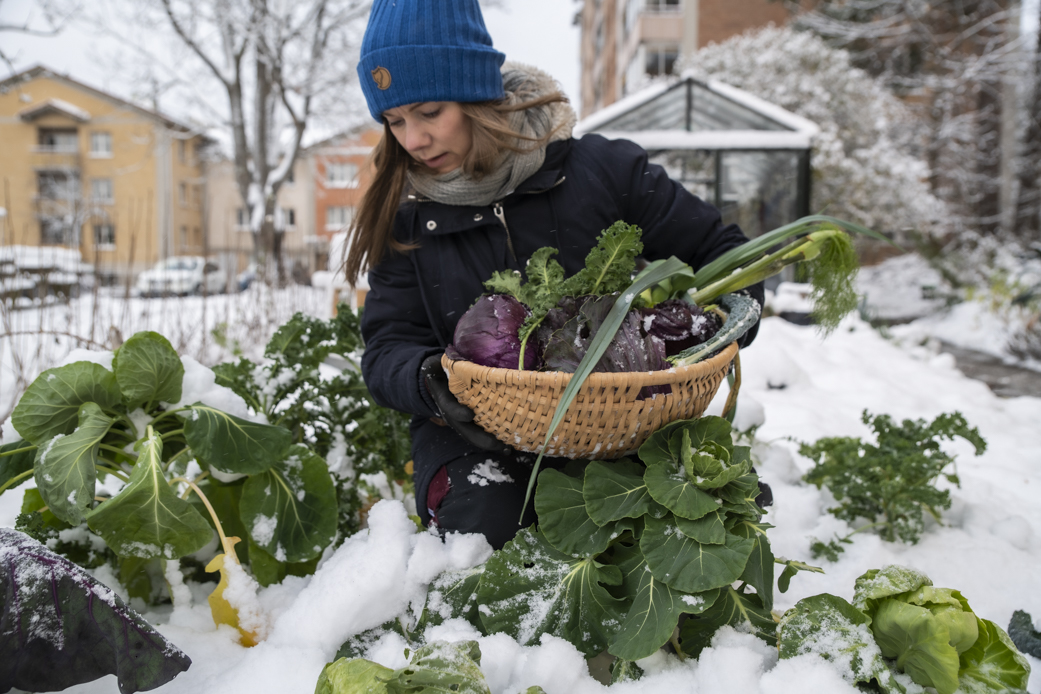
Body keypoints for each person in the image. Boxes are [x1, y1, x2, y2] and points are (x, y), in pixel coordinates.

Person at [344, 0, 765, 550]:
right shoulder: (407, 220)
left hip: (624, 419)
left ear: (477, 96)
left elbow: (724, 252)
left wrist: (718, 328)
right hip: (481, 436)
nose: (412, 140)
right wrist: (432, 381)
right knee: (488, 530)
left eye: (428, 112)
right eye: (394, 121)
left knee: (714, 525)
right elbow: (386, 349)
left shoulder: (602, 171)